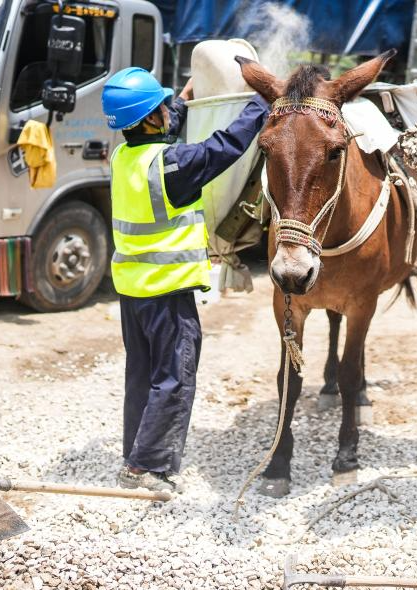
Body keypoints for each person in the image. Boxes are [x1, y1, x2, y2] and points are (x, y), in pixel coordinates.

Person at [101, 67, 268, 493]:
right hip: (167, 292)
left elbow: (158, 128)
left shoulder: (124, 157)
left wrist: (180, 99)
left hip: (132, 292)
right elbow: (226, 146)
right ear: (147, 119)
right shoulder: (172, 166)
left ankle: (133, 457)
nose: (167, 112)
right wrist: (263, 104)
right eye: (161, 108)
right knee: (175, 377)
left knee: (143, 376)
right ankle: (148, 470)